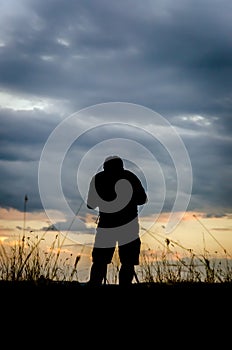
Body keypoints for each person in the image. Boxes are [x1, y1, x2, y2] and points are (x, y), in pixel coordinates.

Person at [86, 155, 147, 286]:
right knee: (128, 262)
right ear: (121, 166)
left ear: (105, 167)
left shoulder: (98, 178)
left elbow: (90, 204)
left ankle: (94, 285)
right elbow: (142, 199)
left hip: (106, 226)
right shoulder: (130, 177)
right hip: (129, 226)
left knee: (100, 261)